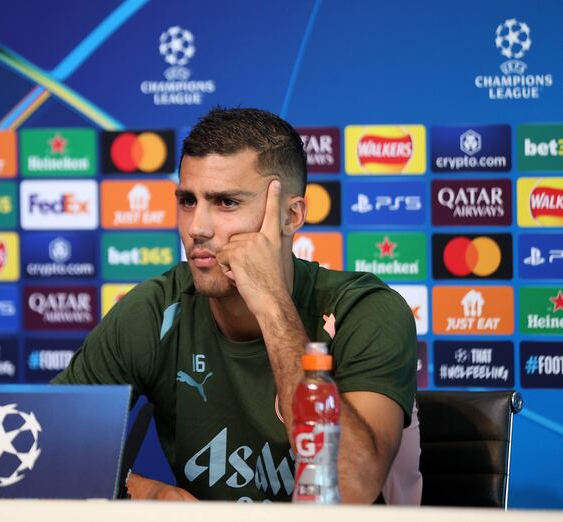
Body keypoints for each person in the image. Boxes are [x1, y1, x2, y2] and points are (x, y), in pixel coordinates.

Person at [53, 107, 421, 504]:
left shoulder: (364, 311)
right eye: (188, 201)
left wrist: (271, 304)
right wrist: (144, 490)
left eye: (226, 202)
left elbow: (349, 488)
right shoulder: (155, 311)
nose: (197, 228)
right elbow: (46, 451)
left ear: (291, 215)